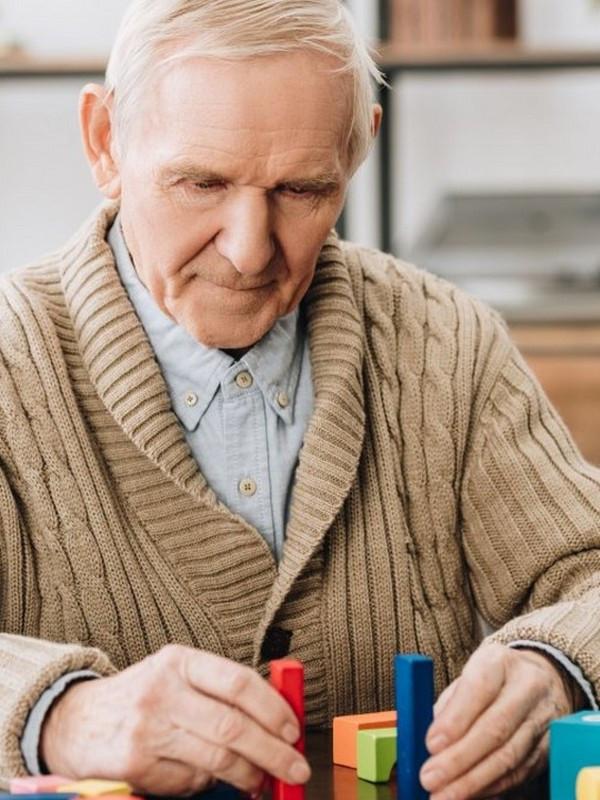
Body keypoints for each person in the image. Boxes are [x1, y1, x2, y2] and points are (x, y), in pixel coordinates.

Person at [0, 1, 599, 798]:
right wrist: (59, 714)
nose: (250, 250)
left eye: (303, 189)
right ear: (104, 141)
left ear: (360, 153)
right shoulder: (11, 366)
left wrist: (559, 665)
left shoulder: (447, 344)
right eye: (201, 183)